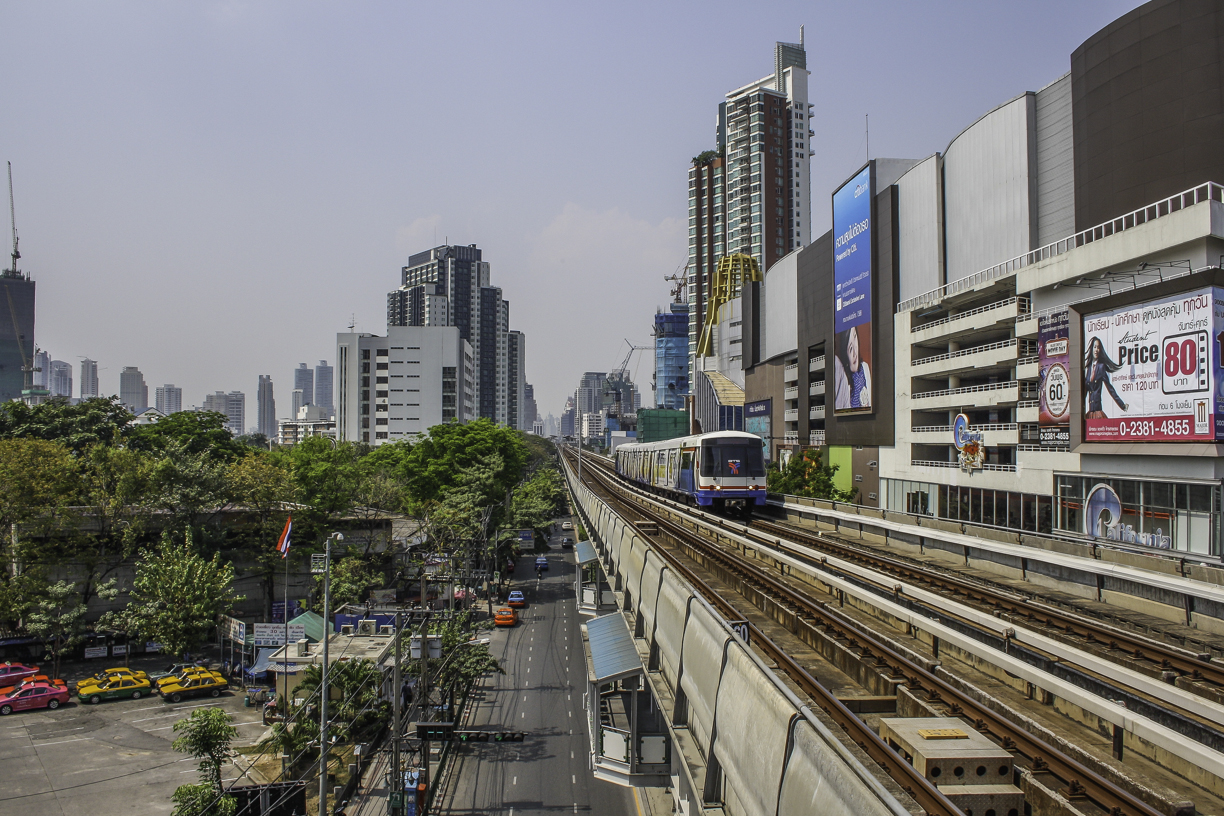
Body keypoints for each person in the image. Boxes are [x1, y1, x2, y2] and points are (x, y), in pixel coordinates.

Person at [1084, 336, 1127, 418]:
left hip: (1098, 412)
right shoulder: (1089, 368)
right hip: (1090, 413)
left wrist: (1122, 405)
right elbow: (1085, 390)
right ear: (1091, 349)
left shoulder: (1101, 367)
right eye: (1095, 347)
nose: (1096, 350)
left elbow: (1110, 388)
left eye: (1098, 347)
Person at [834, 325, 871, 410]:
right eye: (850, 348)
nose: (855, 352)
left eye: (855, 337)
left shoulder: (865, 368)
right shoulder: (842, 378)